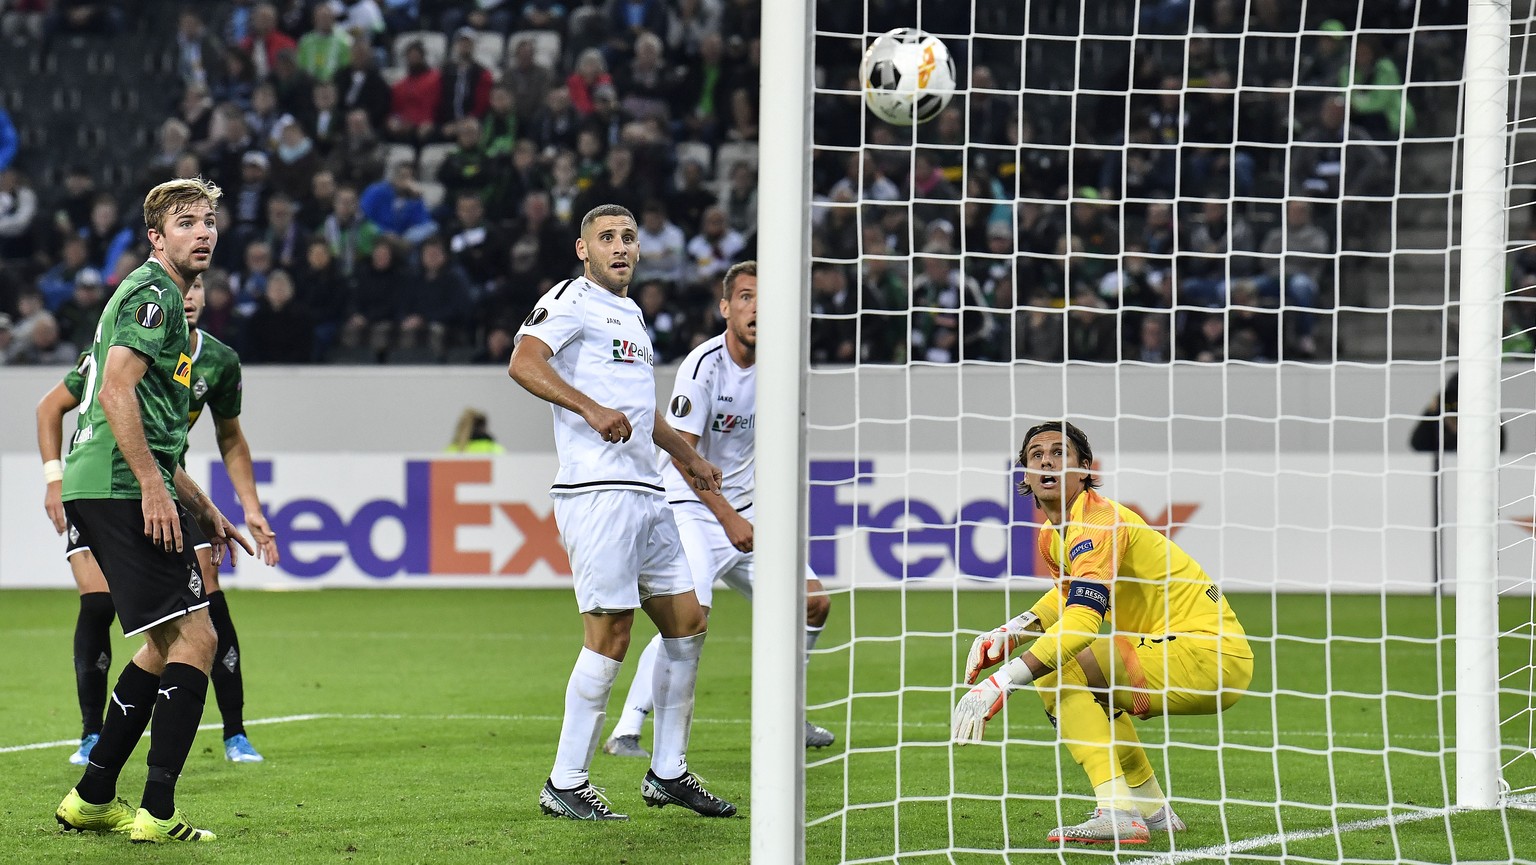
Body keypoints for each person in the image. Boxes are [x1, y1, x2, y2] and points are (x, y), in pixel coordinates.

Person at [509, 203, 736, 821]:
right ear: (582, 250)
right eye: (606, 238)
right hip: (597, 491)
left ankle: (668, 772)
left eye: (628, 238)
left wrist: (685, 455)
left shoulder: (632, 313)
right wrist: (586, 408)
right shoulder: (570, 299)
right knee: (609, 635)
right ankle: (566, 780)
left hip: (647, 490)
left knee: (687, 623)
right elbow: (524, 363)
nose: (620, 247)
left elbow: (639, 411)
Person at [50, 177, 255, 843]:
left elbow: (161, 431)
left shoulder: (159, 293)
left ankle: (93, 794)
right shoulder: (154, 293)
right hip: (116, 483)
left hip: (106, 481)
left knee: (163, 645)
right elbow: (114, 392)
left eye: (208, 221)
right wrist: (151, 487)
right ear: (156, 236)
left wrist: (203, 506)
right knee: (199, 639)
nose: (203, 231)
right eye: (187, 222)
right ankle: (158, 810)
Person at [951, 421, 1253, 844]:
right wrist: (1013, 629)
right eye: (1036, 455)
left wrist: (1004, 680)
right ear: (1024, 474)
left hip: (1205, 653)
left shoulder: (1099, 520)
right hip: (1183, 653)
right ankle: (1151, 809)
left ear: (1085, 468)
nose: (1046, 461)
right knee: (1089, 679)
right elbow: (1069, 598)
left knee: (1059, 668)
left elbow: (1083, 620)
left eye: (1059, 453)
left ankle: (1115, 810)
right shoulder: (1051, 536)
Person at [38, 272, 282, 767]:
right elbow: (56, 406)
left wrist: (240, 508)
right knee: (126, 612)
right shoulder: (133, 335)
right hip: (122, 483)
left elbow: (230, 437)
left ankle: (229, 734)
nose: (187, 297)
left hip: (164, 482)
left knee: (192, 614)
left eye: (197, 289)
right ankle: (102, 750)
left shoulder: (215, 359)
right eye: (183, 289)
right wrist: (53, 478)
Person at [603, 261, 836, 758]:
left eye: (766, 299)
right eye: (747, 297)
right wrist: (727, 517)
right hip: (691, 508)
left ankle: (787, 714)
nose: (757, 309)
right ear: (726, 307)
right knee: (689, 616)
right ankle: (627, 727)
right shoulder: (704, 365)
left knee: (813, 602)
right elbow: (682, 452)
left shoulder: (783, 366)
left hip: (747, 513)